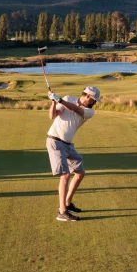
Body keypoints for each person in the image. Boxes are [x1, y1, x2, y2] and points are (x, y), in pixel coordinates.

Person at [46, 85, 101, 222]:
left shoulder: (89, 112)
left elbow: (75, 109)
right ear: (88, 96)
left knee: (80, 173)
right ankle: (62, 212)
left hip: (68, 145)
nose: (95, 103)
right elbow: (52, 116)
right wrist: (53, 101)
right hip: (55, 141)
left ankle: (67, 203)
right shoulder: (67, 99)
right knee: (65, 175)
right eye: (94, 100)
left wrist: (59, 100)